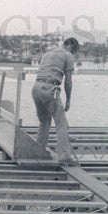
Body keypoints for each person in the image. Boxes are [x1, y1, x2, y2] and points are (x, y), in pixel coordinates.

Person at [33, 37, 80, 165]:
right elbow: (68, 81)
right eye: (73, 50)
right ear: (70, 46)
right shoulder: (68, 55)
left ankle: (38, 151)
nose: (73, 54)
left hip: (36, 89)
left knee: (44, 121)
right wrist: (68, 100)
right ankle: (64, 156)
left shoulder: (48, 53)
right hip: (49, 90)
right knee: (61, 123)